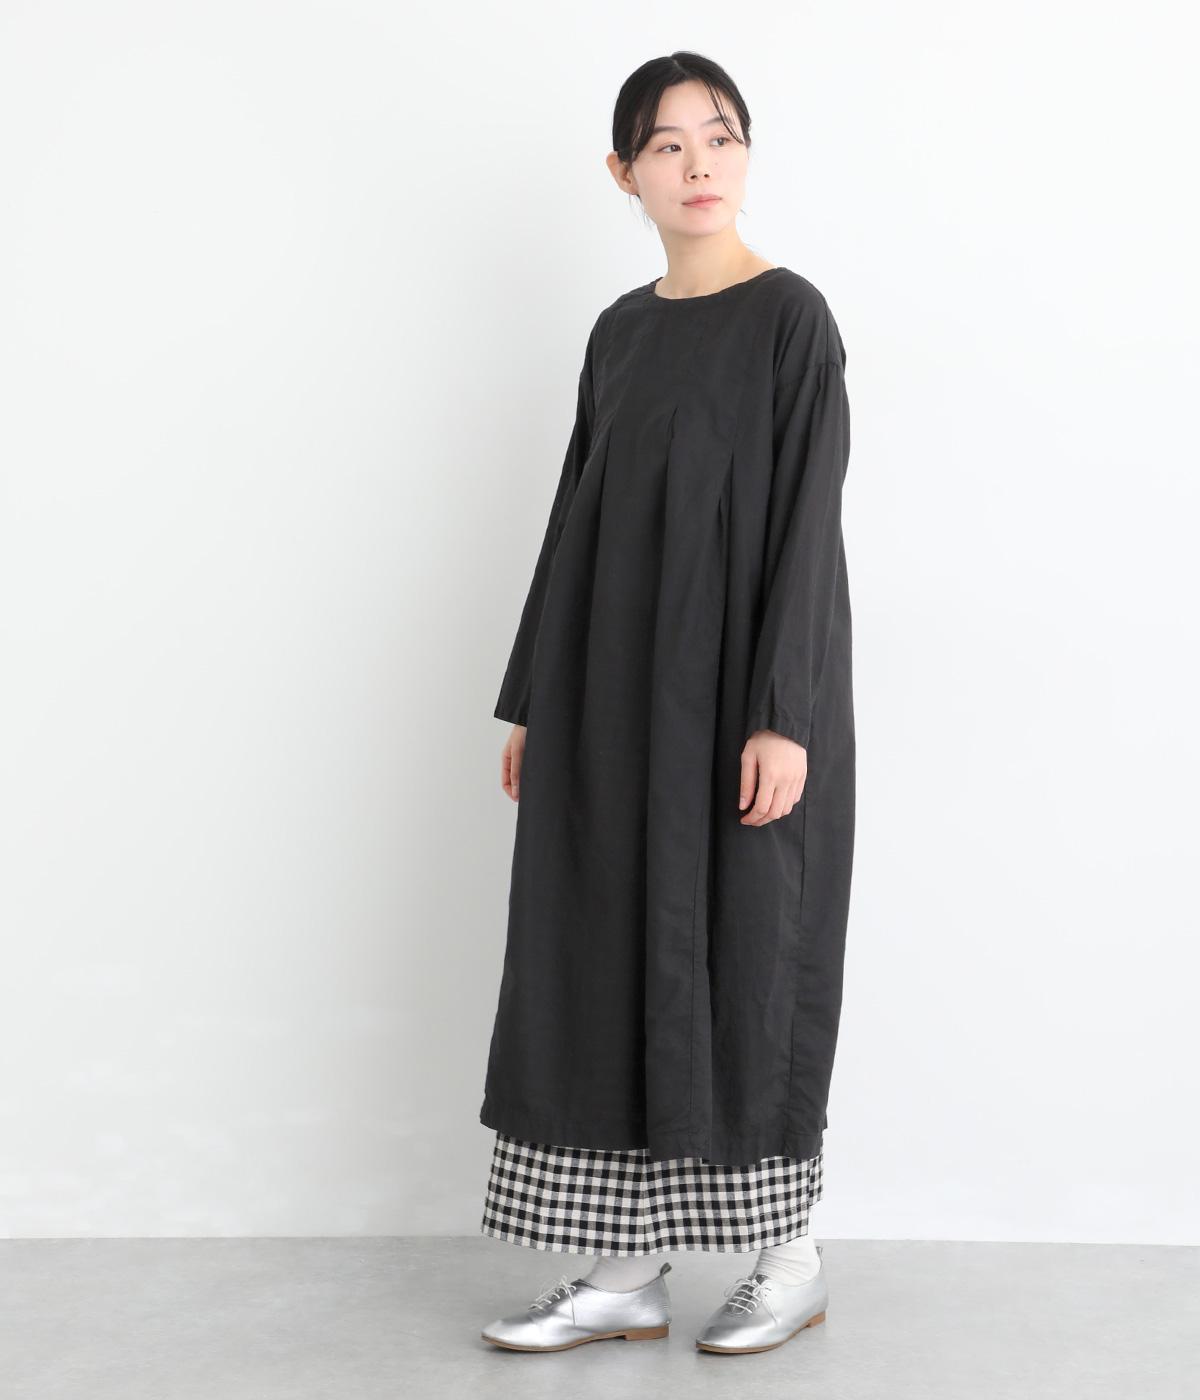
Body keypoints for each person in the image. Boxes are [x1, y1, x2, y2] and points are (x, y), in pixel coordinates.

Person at [477, 50, 855, 1355]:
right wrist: (536, 698)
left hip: (743, 701)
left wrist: (783, 713)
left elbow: (808, 527)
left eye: (722, 136)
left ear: (747, 156)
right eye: (669, 143)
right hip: (613, 699)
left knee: (750, 952)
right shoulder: (619, 333)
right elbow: (574, 517)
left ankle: (787, 1257)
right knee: (605, 949)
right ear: (623, 171)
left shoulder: (791, 319)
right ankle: (627, 1271)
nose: (700, 164)